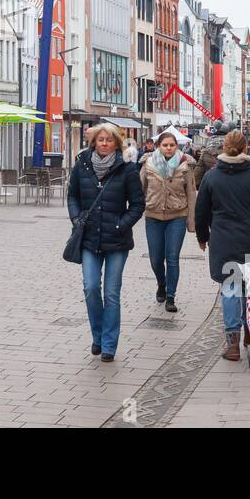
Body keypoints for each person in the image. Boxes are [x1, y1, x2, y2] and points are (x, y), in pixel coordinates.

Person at [67, 123, 145, 362]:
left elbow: (138, 204)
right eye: (100, 140)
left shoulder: (127, 169)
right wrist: (77, 217)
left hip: (117, 241)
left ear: (116, 143)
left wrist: (122, 224)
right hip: (89, 237)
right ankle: (97, 336)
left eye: (108, 140)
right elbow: (72, 196)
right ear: (94, 142)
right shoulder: (82, 164)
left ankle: (109, 345)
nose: (104, 143)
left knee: (111, 293)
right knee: (91, 288)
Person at [193, 130, 250, 362]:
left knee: (230, 289)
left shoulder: (211, 177)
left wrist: (202, 236)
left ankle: (233, 344)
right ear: (246, 148)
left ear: (223, 149)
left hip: (222, 239)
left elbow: (201, 212)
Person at [138, 130, 198, 312]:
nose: (169, 148)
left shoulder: (185, 164)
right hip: (153, 216)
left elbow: (191, 193)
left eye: (172, 145)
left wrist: (191, 221)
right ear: (158, 147)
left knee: (172, 258)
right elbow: (140, 189)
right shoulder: (148, 164)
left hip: (177, 216)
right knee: (156, 259)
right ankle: (161, 284)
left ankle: (171, 296)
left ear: (177, 146)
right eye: (165, 145)